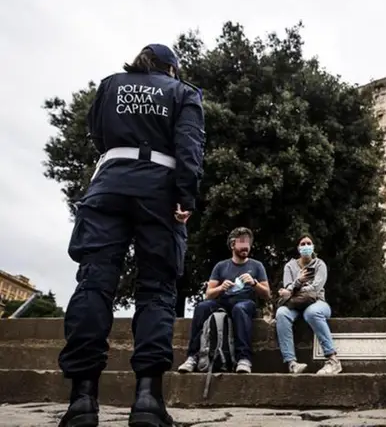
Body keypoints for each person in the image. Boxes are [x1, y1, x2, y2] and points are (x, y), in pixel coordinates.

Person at [57, 44, 206, 427]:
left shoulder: (109, 85)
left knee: (93, 284)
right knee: (157, 289)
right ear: (172, 69)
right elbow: (189, 147)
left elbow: (97, 134)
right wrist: (185, 196)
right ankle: (147, 400)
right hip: (159, 191)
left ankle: (82, 401)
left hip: (108, 184)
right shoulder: (183, 92)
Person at [177, 227, 271, 374]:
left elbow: (267, 294)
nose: (246, 246)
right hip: (223, 302)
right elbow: (209, 294)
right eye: (242, 242)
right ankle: (192, 357)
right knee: (202, 307)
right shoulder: (221, 266)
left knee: (239, 309)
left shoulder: (256, 266)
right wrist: (221, 288)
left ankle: (244, 359)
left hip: (246, 303)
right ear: (233, 245)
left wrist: (254, 283)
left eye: (248, 242)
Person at [275, 235, 342, 375]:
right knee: (281, 313)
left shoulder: (319, 264)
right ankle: (292, 363)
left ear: (313, 246)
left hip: (317, 302)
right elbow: (287, 288)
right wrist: (298, 282)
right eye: (303, 244)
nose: (306, 246)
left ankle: (333, 360)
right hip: (295, 305)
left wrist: (294, 288)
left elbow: (316, 288)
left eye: (309, 243)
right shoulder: (290, 266)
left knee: (311, 313)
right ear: (298, 248)